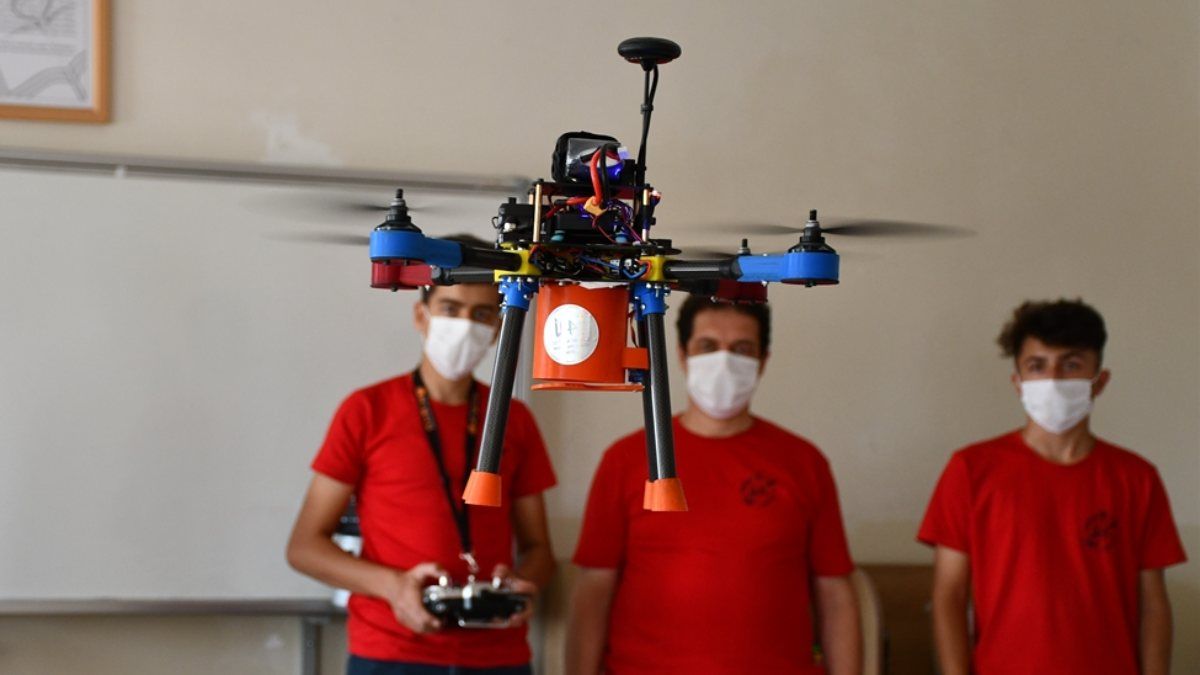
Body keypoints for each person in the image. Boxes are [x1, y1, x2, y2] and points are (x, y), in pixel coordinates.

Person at [286, 236, 557, 675]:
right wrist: (393, 587)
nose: (465, 325)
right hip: (390, 654)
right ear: (421, 314)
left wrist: (525, 584)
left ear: (497, 330)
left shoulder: (514, 418)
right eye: (450, 308)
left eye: (482, 314)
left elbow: (539, 549)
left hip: (498, 655)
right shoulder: (367, 410)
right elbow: (304, 547)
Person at [566, 295, 862, 675]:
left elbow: (835, 593)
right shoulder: (625, 459)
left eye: (742, 349)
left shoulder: (805, 463)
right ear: (683, 355)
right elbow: (594, 588)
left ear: (763, 361)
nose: (724, 361)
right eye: (708, 346)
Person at [918, 299, 1187, 675]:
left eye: (1072, 364)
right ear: (1018, 382)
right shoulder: (970, 471)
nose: (1054, 378)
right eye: (1037, 365)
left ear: (1100, 381)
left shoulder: (1137, 478)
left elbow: (1153, 604)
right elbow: (949, 595)